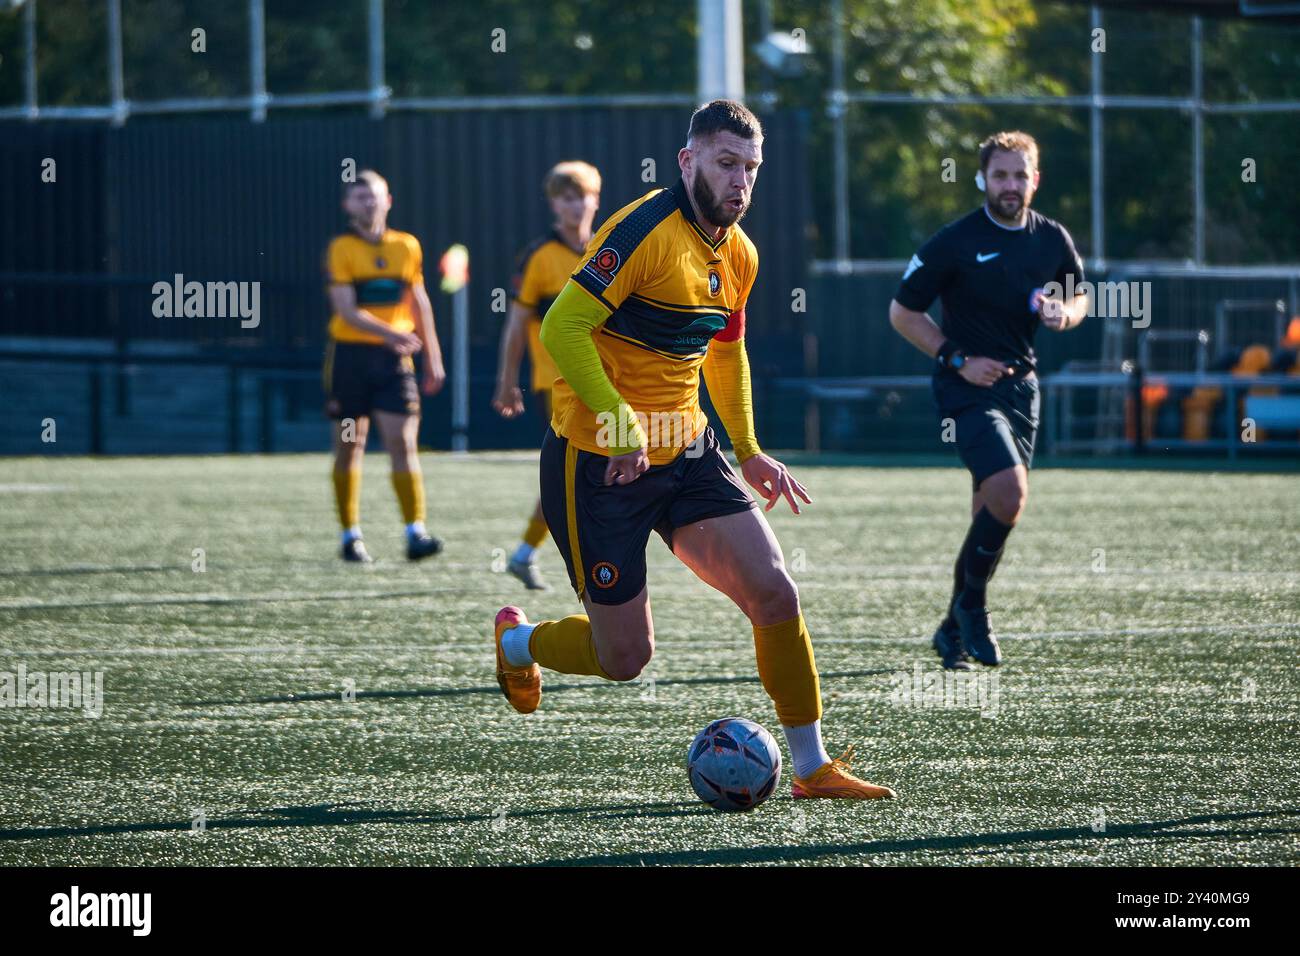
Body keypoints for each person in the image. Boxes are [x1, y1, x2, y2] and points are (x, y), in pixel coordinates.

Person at [492, 100, 895, 800]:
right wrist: (621, 427)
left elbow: (725, 352)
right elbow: (563, 327)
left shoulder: (740, 254)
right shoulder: (644, 228)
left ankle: (811, 766)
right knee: (626, 659)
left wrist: (750, 448)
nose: (740, 181)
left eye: (751, 169)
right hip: (596, 463)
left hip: (689, 450)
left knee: (773, 588)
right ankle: (517, 644)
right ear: (688, 161)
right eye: (725, 163)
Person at [889, 131, 1089, 668]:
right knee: (1010, 493)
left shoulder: (1051, 239)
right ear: (982, 179)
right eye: (1000, 175)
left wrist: (1062, 314)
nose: (1010, 184)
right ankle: (974, 610)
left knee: (991, 508)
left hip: (1023, 387)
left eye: (1020, 175)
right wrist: (957, 359)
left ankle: (952, 627)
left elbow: (1078, 296)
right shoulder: (955, 240)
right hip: (967, 388)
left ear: (1035, 179)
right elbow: (903, 313)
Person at [323, 170, 446, 563]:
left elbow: (419, 300)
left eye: (373, 196)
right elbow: (346, 309)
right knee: (349, 445)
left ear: (388, 200)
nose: (368, 203)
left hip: (395, 362)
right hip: (350, 359)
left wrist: (433, 357)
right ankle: (350, 534)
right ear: (347, 205)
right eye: (359, 197)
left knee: (403, 442)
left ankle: (415, 532)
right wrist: (392, 334)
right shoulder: (341, 248)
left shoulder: (406, 246)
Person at [491, 161, 602, 590]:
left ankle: (527, 553)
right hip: (555, 384)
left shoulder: (607, 251)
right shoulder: (538, 256)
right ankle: (584, 564)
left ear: (596, 198)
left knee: (582, 475)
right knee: (579, 473)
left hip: (608, 382)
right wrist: (506, 380)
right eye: (566, 197)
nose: (575, 205)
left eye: (582, 195)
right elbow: (516, 325)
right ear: (554, 204)